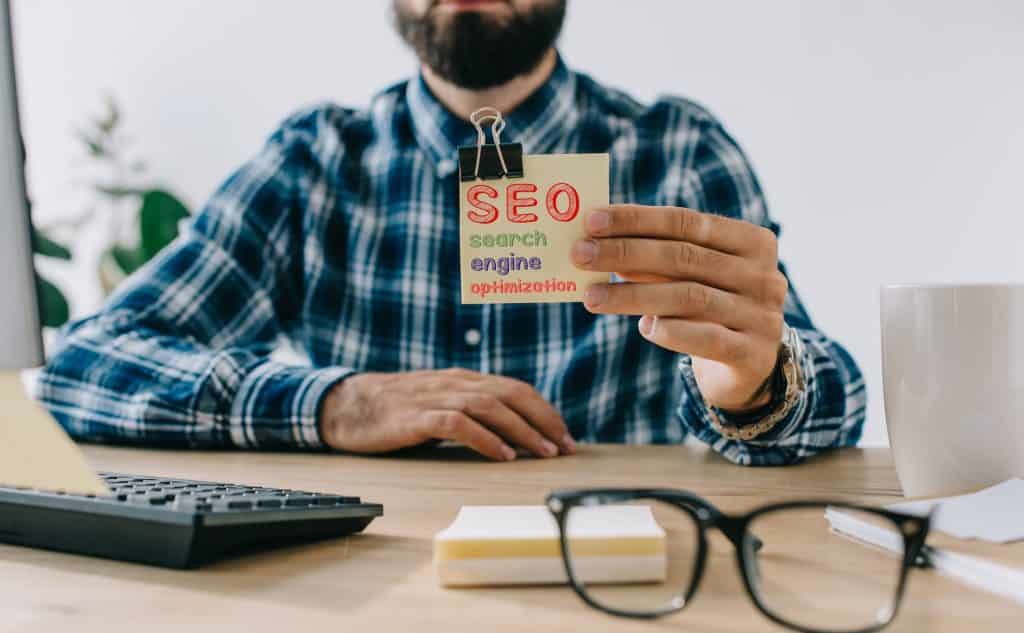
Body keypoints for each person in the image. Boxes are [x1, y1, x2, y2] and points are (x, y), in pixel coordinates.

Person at [37, 0, 865, 466]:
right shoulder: (314, 161)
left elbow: (838, 400)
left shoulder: (676, 149)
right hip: (359, 582)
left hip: (620, 575)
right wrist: (335, 400)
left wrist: (752, 388)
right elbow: (80, 364)